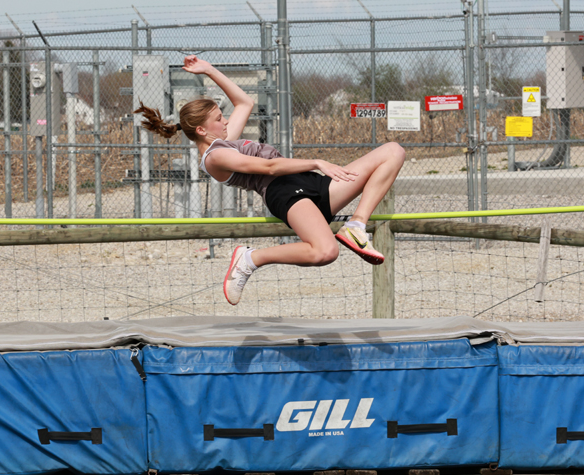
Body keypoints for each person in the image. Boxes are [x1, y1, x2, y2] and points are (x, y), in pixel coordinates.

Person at [136, 55, 405, 306]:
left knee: (393, 151)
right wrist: (318, 162)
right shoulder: (214, 157)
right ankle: (251, 258)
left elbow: (245, 103)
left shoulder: (224, 141)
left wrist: (208, 70)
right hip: (284, 193)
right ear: (202, 130)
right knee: (325, 252)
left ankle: (356, 225)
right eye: (219, 118)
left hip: (307, 182)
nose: (226, 120)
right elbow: (270, 167)